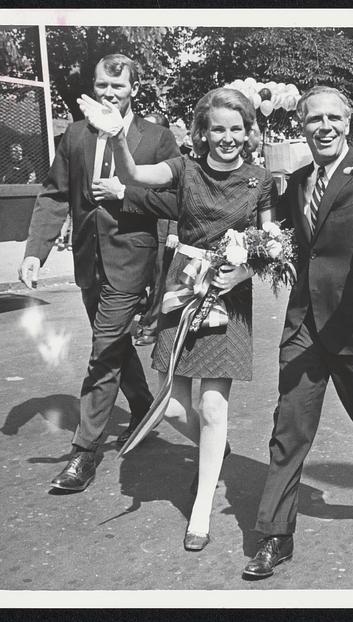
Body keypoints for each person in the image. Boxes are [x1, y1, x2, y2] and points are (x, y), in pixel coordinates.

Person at [81, 87, 277, 550]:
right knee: (168, 402)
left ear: (247, 132)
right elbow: (134, 174)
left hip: (228, 296)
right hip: (183, 287)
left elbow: (272, 242)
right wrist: (118, 138)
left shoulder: (260, 180)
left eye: (235, 129)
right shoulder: (184, 169)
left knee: (213, 406)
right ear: (202, 133)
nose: (226, 138)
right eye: (217, 129)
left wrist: (243, 271)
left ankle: (202, 509)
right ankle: (216, 442)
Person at [243, 86, 353, 579]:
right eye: (313, 118)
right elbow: (288, 240)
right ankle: (276, 536)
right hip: (305, 325)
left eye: (332, 119)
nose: (323, 127)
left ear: (347, 123)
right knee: (289, 426)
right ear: (302, 125)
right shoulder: (297, 181)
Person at [18, 53, 180, 492]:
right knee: (113, 343)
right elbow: (54, 195)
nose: (109, 94)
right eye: (102, 87)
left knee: (103, 352)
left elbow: (172, 200)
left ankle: (83, 454)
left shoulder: (158, 138)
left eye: (118, 87)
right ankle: (145, 406)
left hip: (133, 260)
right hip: (89, 260)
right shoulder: (74, 135)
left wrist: (124, 192)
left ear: (134, 90)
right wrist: (37, 251)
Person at [134, 112, 179, 346]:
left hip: (163, 229)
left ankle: (152, 328)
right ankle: (146, 318)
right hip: (141, 228)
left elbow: (176, 198)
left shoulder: (170, 161)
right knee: (144, 277)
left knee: (161, 280)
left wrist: (174, 231)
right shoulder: (138, 157)